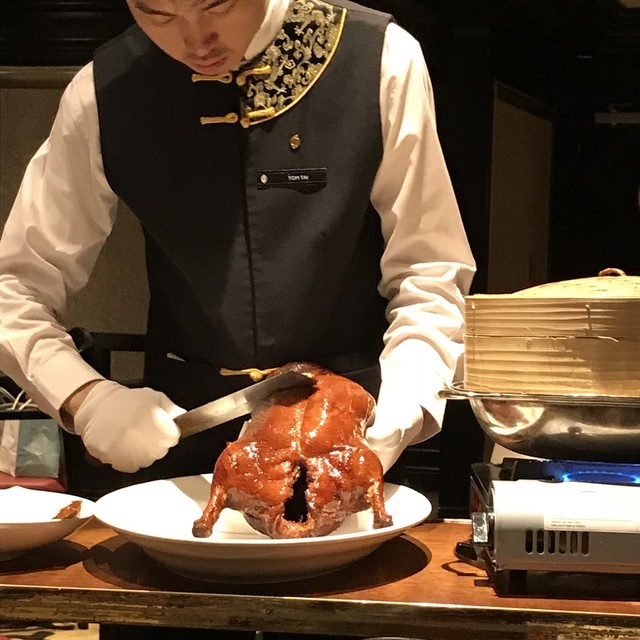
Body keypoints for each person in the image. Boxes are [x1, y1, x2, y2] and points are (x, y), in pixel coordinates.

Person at [0, 0, 475, 637]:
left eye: (217, 5)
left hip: (351, 450)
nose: (196, 40)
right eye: (156, 13)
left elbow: (430, 270)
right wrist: (84, 397)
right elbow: (16, 287)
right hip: (182, 456)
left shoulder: (380, 58)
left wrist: (402, 408)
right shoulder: (105, 89)